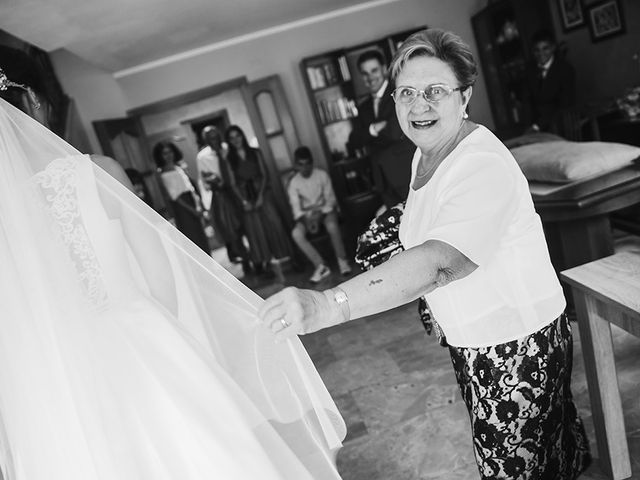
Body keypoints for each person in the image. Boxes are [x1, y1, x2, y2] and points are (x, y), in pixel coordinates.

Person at [259, 28, 591, 479]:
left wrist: (325, 305)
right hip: (474, 338)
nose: (420, 105)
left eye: (436, 91)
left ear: (465, 96)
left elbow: (440, 260)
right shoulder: (427, 152)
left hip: (514, 343)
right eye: (407, 92)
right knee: (548, 455)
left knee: (515, 468)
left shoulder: (481, 163)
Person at [0, 81, 345, 479]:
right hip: (140, 340)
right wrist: (166, 338)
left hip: (61, 377)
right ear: (35, 101)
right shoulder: (95, 172)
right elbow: (159, 275)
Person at [348, 49, 415, 208]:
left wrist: (369, 136)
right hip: (382, 180)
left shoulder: (400, 94)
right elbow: (353, 141)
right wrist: (373, 129)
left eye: (374, 70)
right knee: (399, 230)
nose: (370, 77)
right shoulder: (363, 107)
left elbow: (393, 132)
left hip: (405, 173)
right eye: (365, 73)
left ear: (384, 69)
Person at [225, 125, 293, 276]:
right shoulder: (230, 160)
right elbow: (232, 183)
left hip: (262, 192)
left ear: (243, 136)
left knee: (274, 223)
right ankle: (265, 264)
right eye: (232, 138)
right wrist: (244, 201)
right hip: (245, 197)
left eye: (238, 136)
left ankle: (286, 259)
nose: (236, 140)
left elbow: (264, 174)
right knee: (255, 231)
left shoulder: (255, 153)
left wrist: (261, 196)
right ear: (229, 141)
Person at [287, 146, 352, 283]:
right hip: (306, 217)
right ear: (296, 165)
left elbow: (330, 200)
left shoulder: (322, 175)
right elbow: (296, 209)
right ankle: (320, 265)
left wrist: (318, 217)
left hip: (325, 212)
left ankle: (342, 261)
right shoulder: (294, 183)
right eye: (301, 164)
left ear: (312, 162)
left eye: (307, 163)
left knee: (332, 226)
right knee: (296, 234)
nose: (305, 168)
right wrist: (308, 221)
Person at [196, 125, 248, 265]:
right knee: (229, 227)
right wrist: (213, 183)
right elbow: (203, 179)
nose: (213, 139)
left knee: (244, 224)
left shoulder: (226, 148)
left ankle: (250, 256)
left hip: (236, 189)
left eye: (215, 135)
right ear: (205, 139)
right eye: (209, 137)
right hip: (220, 195)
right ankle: (242, 258)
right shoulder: (202, 157)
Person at [153, 140, 210, 254]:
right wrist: (192, 210)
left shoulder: (178, 167)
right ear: (160, 156)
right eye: (165, 153)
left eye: (170, 152)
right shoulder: (163, 173)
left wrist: (198, 205)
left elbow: (191, 188)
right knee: (192, 238)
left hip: (191, 200)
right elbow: (175, 197)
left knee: (201, 235)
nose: (169, 155)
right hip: (183, 208)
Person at [524, 28, 576, 134]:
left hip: (561, 125)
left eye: (545, 48)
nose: (541, 53)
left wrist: (537, 126)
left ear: (553, 48)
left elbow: (563, 103)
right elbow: (527, 101)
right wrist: (529, 126)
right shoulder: (529, 70)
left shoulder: (565, 69)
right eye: (537, 50)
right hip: (534, 128)